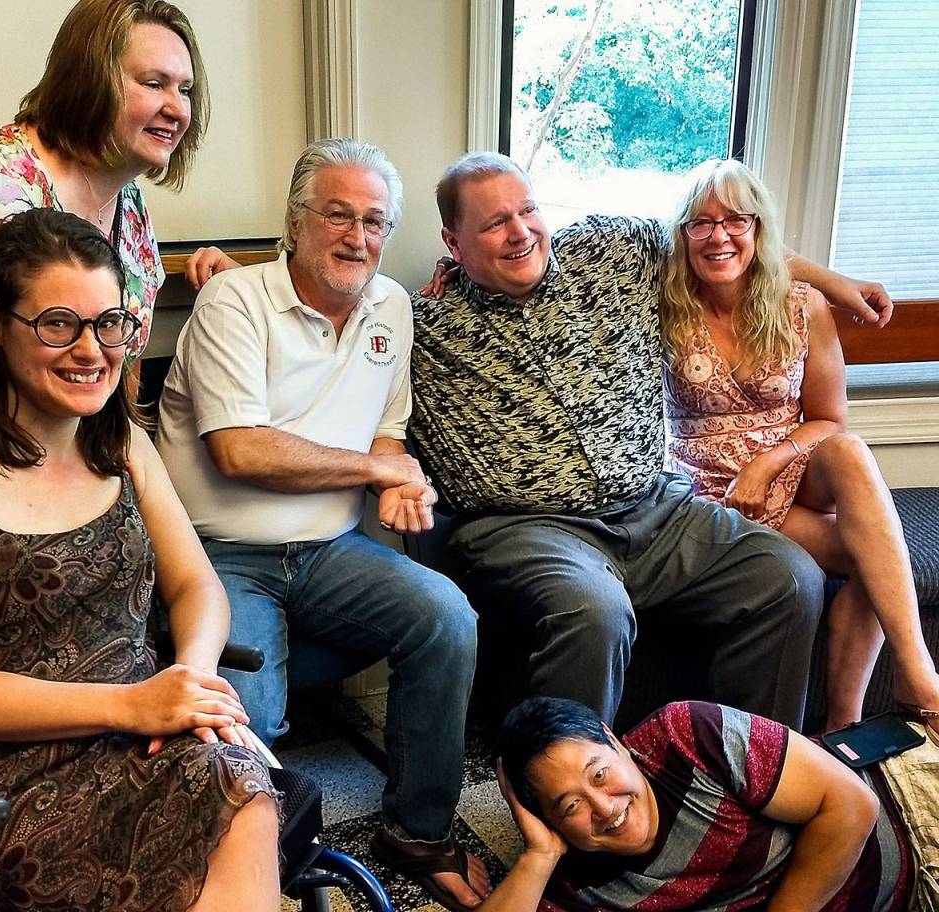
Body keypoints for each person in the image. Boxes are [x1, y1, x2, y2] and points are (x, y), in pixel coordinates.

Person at [409, 151, 895, 734]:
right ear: (453, 242)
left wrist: (834, 282)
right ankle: (573, 795)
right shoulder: (423, 324)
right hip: (526, 527)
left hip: (654, 507)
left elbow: (728, 240)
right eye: (494, 224)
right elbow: (357, 377)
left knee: (788, 577)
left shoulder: (613, 252)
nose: (520, 232)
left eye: (528, 210)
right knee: (595, 609)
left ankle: (751, 772)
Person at [157, 138, 489, 912]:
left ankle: (419, 829)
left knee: (446, 616)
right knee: (253, 717)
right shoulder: (233, 301)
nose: (357, 236)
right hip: (221, 553)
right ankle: (251, 869)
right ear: (295, 223)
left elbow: (387, 429)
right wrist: (382, 473)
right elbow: (238, 451)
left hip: (331, 549)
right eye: (337, 215)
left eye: (375, 221)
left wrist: (395, 476)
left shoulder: (392, 308)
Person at [0, 209, 280, 912]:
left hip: (140, 736)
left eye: (108, 323)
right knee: (235, 794)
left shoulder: (121, 446)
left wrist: (192, 682)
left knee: (236, 780)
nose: (92, 350)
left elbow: (196, 584)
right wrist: (131, 705)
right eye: (59, 323)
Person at [660, 158, 939, 734]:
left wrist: (769, 460)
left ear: (762, 229)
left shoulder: (800, 305)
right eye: (701, 223)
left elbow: (831, 419)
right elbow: (567, 256)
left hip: (793, 465)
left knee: (851, 451)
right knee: (877, 562)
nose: (719, 235)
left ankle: (909, 679)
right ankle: (845, 730)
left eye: (738, 220)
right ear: (682, 233)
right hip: (710, 490)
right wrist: (456, 266)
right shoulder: (661, 300)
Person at [0, 0, 208, 416]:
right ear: (90, 81)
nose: (178, 110)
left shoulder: (129, 201)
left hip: (78, 465)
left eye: (184, 89)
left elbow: (119, 373)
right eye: (153, 83)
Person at [489, 696, 936, 911]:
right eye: (570, 807)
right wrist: (538, 855)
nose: (605, 809)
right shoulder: (579, 886)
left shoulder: (686, 736)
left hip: (914, 818)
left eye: (600, 775)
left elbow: (852, 804)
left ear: (615, 741)